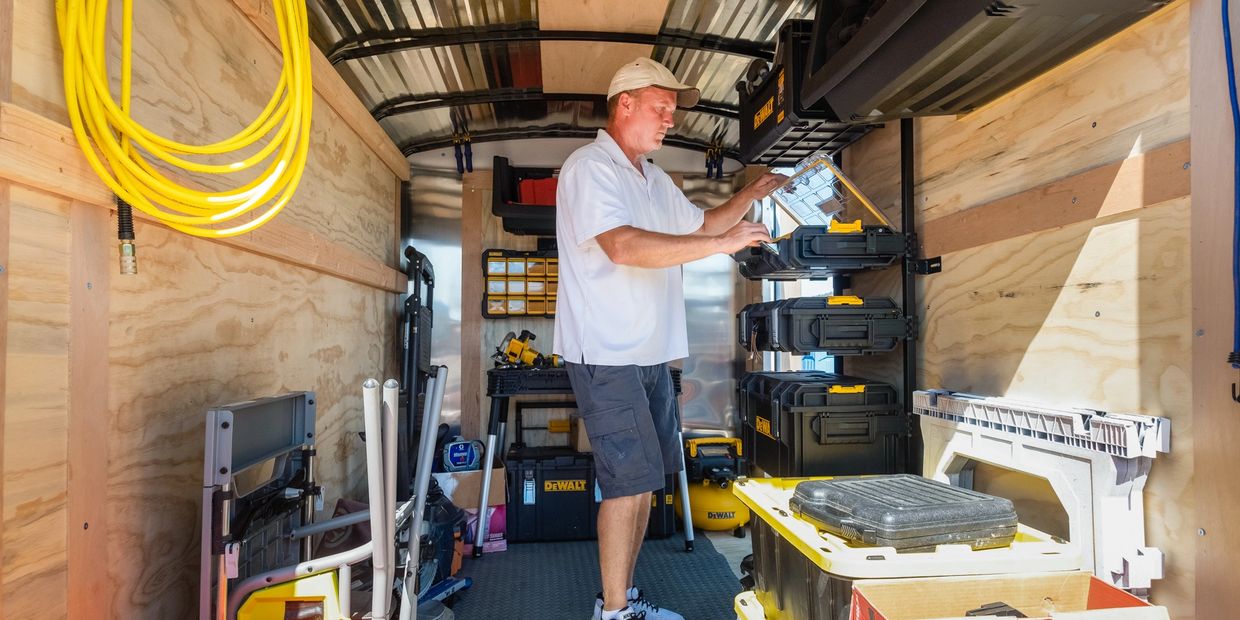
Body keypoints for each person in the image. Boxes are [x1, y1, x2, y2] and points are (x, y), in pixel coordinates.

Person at [552, 57, 786, 620]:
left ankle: (623, 599)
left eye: (672, 112)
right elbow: (624, 247)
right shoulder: (590, 168)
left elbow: (703, 225)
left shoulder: (652, 178)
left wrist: (749, 195)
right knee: (626, 485)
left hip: (649, 355)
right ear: (624, 103)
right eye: (661, 108)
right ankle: (612, 612)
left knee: (643, 482)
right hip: (606, 352)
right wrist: (723, 244)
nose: (669, 120)